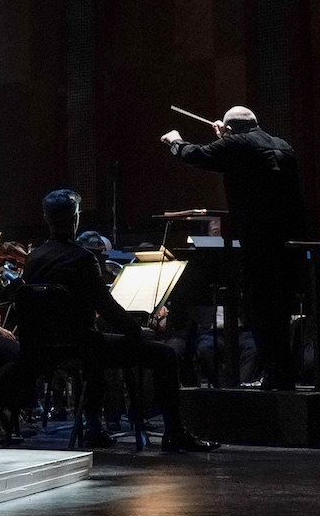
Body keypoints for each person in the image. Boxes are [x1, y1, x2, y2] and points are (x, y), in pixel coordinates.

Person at [21, 189, 215, 451]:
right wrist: (137, 331)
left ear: (46, 218)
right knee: (166, 355)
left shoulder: (32, 259)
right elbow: (108, 308)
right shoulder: (83, 259)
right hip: (84, 347)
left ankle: (94, 427)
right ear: (76, 218)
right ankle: (175, 433)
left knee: (96, 344)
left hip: (43, 349)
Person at [162, 106, 306, 388]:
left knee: (258, 307)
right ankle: (282, 373)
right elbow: (244, 158)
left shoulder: (236, 144)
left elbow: (197, 155)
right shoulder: (282, 145)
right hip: (289, 242)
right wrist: (226, 138)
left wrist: (175, 141)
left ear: (229, 130)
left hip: (259, 242)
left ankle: (275, 373)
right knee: (280, 309)